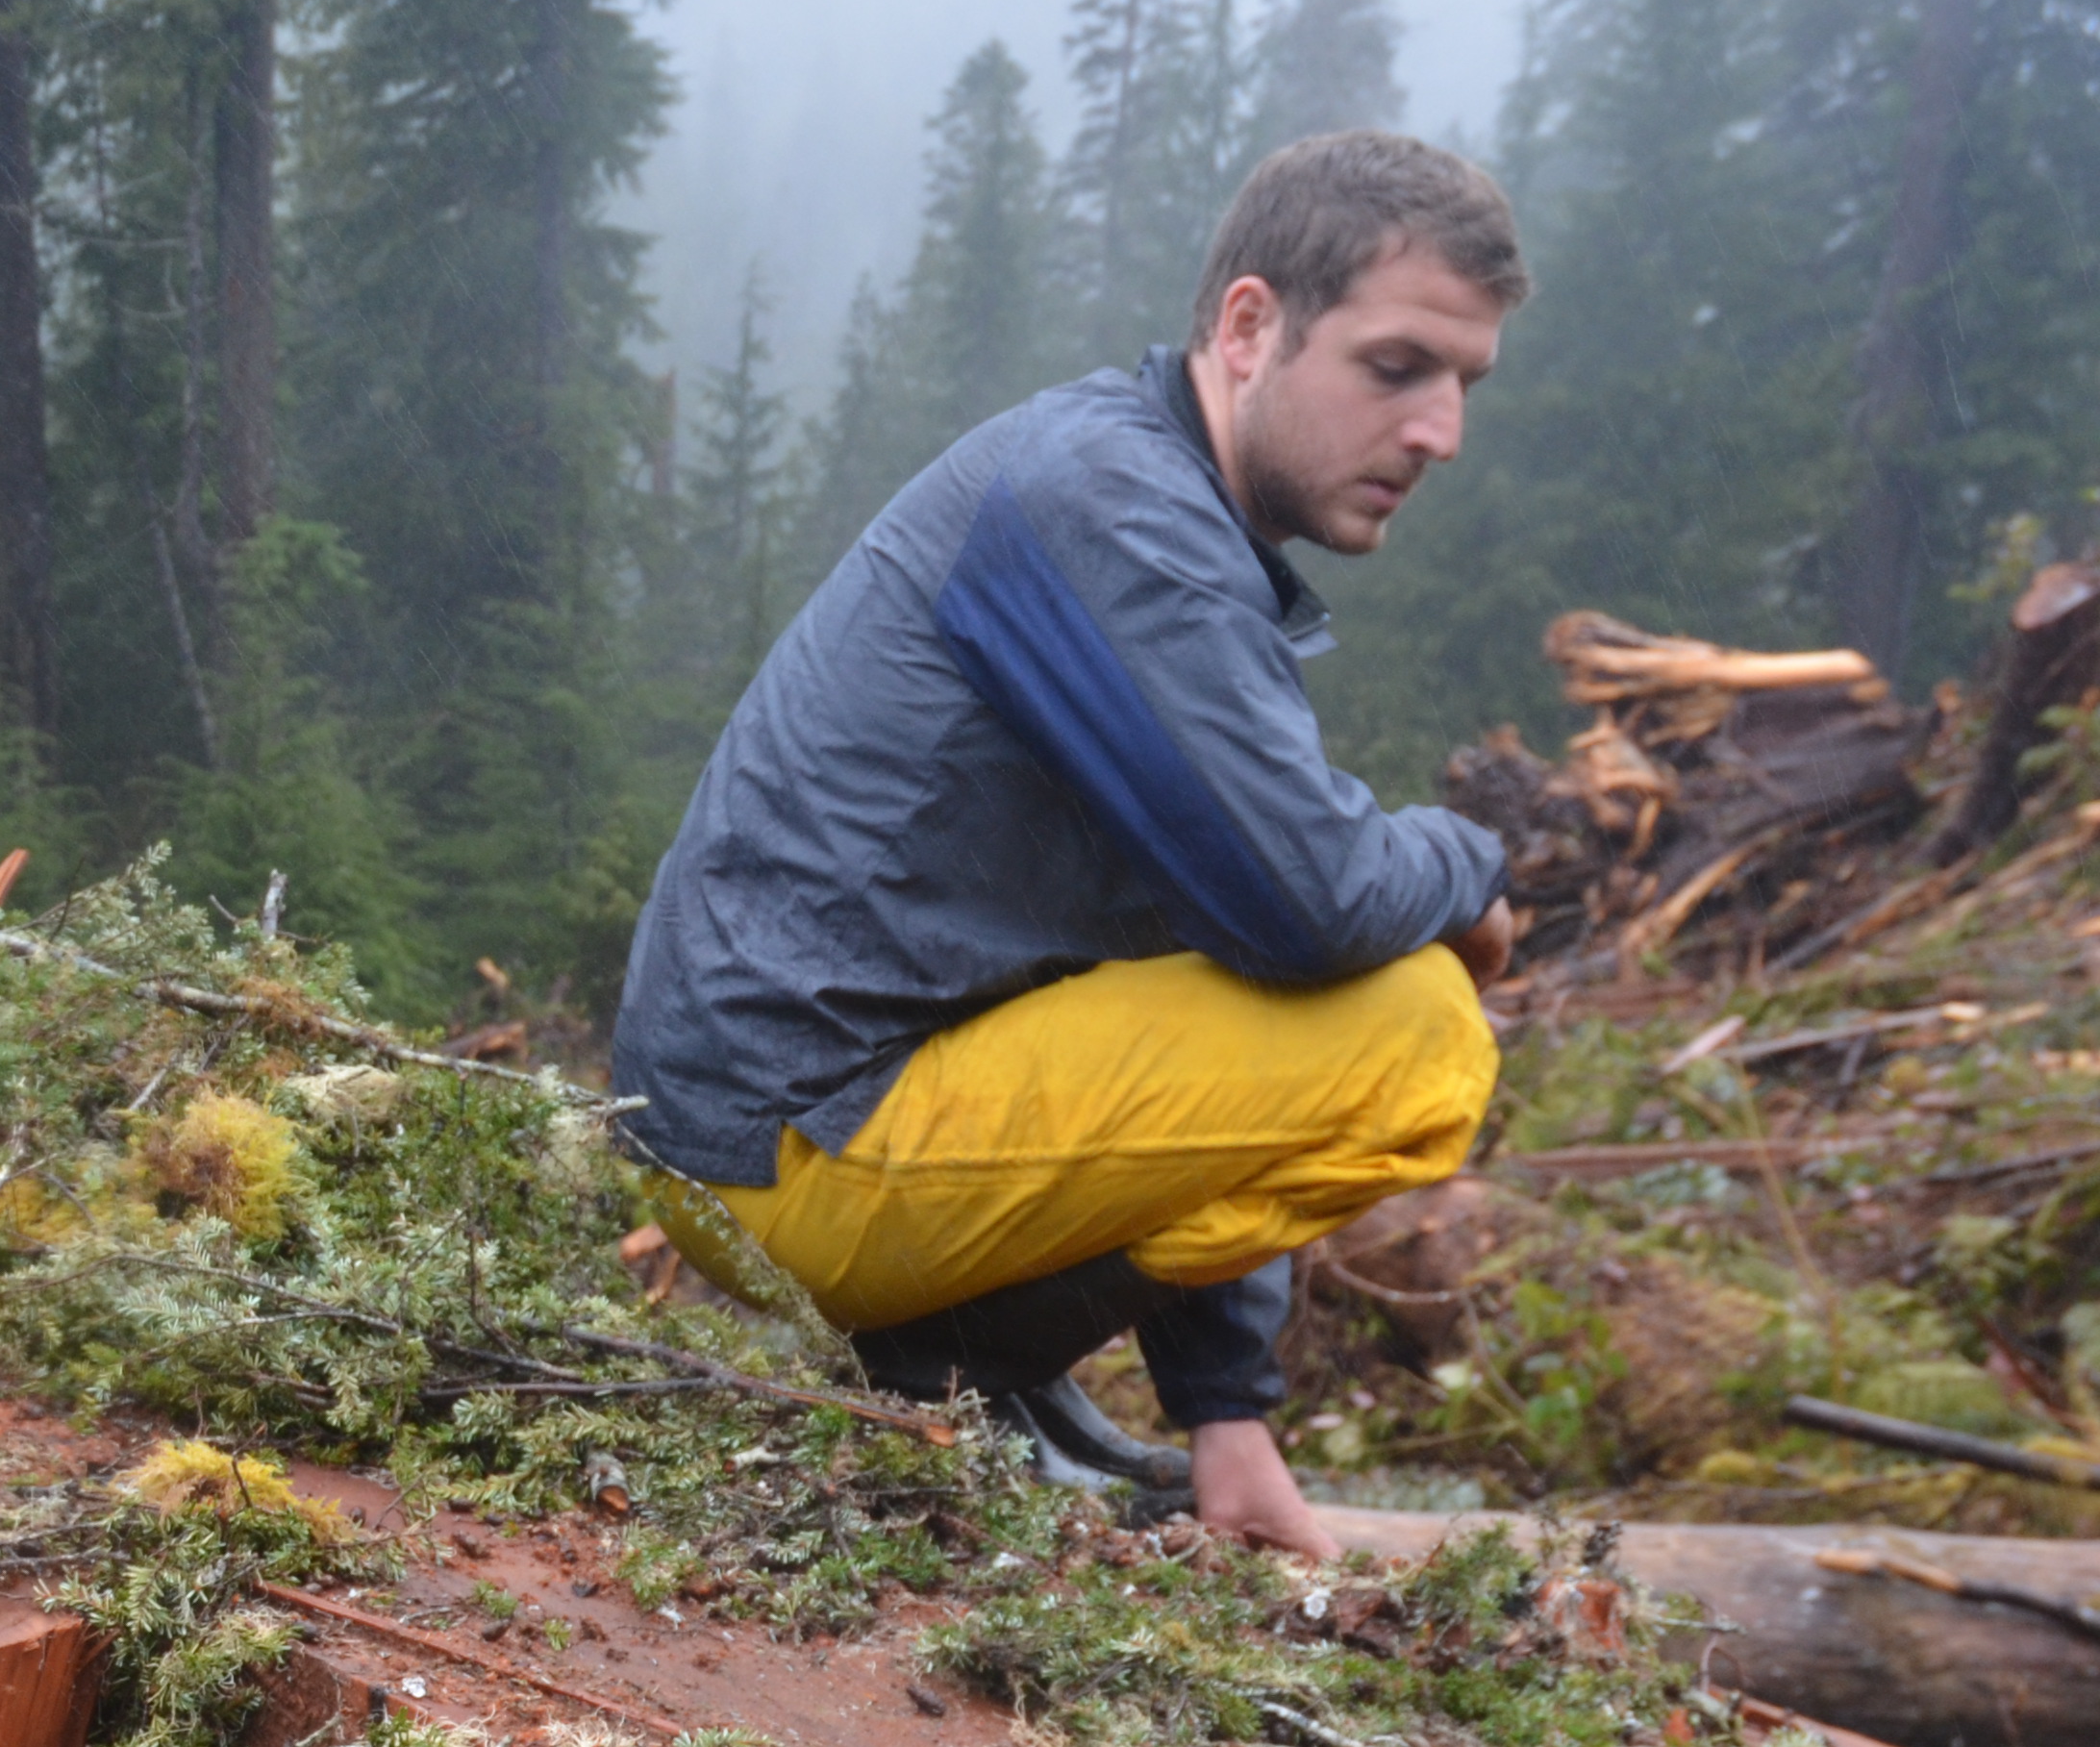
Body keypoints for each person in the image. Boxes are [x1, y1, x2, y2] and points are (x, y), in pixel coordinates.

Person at [612, 132, 1528, 1553]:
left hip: (780, 1126)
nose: (1440, 432)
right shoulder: (1115, 511)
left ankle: (989, 1376)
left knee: (1359, 989)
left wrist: (1230, 1419)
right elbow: (1312, 907)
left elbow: (1216, 944)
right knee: (1418, 1031)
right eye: (1397, 366)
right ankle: (951, 1372)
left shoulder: (1150, 510)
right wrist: (1472, 867)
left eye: (1465, 384)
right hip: (791, 1145)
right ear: (1248, 326)